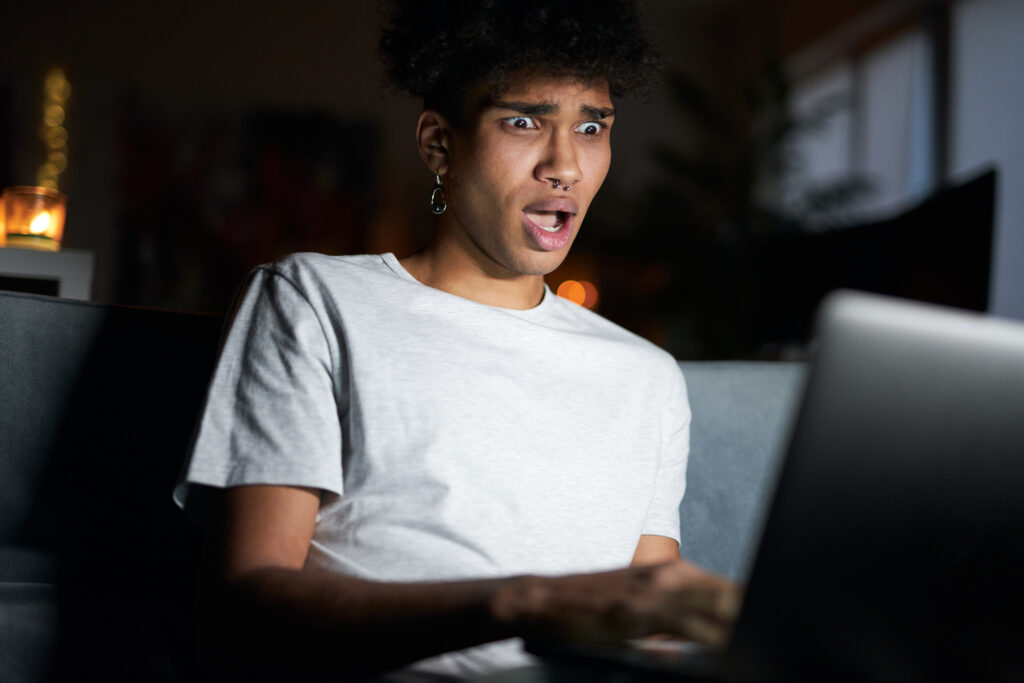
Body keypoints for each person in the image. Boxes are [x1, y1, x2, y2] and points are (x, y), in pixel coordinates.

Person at [175, 0, 740, 680]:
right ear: (440, 143)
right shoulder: (314, 300)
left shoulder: (646, 374)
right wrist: (523, 602)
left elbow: (648, 620)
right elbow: (244, 607)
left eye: (592, 127)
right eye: (524, 121)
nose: (565, 165)